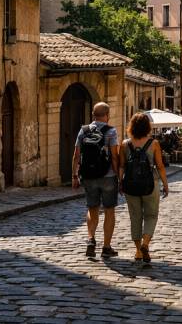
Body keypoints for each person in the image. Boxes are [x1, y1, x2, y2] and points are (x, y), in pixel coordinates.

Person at [71, 102, 120, 258]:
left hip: (88, 176)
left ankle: (91, 238)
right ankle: (106, 247)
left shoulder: (83, 130)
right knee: (109, 211)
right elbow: (114, 156)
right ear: (107, 115)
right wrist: (119, 176)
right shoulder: (111, 131)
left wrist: (74, 176)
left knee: (92, 208)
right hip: (108, 176)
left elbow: (76, 155)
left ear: (93, 115)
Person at [121, 112, 170, 264]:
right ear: (147, 126)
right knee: (151, 215)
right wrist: (165, 184)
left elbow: (122, 166)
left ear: (131, 126)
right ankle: (145, 244)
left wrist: (120, 183)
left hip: (130, 184)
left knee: (135, 216)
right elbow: (160, 166)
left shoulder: (125, 144)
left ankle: (137, 251)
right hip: (150, 184)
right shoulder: (153, 143)